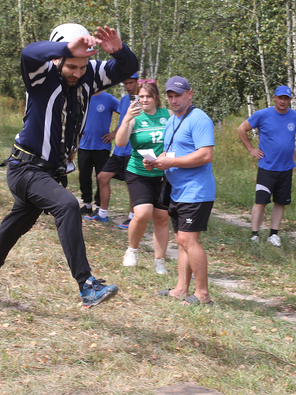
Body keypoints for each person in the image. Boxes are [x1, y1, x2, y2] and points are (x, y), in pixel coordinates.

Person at [0, 23, 138, 309]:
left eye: (83, 66)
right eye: (71, 66)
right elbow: (29, 52)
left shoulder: (88, 76)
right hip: (25, 168)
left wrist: (119, 51)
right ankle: (87, 285)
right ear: (56, 58)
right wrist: (66, 49)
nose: (78, 72)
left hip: (49, 173)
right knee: (68, 205)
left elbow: (127, 67)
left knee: (16, 226)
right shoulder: (40, 76)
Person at [147, 76, 215, 305]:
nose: (174, 100)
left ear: (190, 94)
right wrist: (156, 161)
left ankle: (203, 294)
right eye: (170, 96)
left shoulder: (199, 119)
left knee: (188, 239)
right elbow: (171, 153)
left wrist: (171, 163)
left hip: (196, 190)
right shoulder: (172, 120)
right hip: (178, 190)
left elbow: (205, 155)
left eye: (178, 95)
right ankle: (180, 289)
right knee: (182, 240)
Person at [237, 85, 296, 246]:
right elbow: (242, 129)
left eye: (286, 98)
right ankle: (255, 234)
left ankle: (274, 234)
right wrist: (251, 149)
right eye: (280, 97)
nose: (283, 101)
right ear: (275, 98)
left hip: (286, 167)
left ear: (290, 99)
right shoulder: (263, 114)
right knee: (261, 201)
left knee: (280, 202)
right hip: (267, 166)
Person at [114, 81, 172, 274]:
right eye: (141, 96)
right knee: (143, 213)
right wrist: (126, 120)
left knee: (162, 217)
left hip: (163, 173)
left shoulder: (168, 115)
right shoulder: (134, 117)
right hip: (139, 171)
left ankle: (159, 260)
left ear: (156, 98)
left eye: (148, 96)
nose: (144, 100)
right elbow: (121, 142)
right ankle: (132, 250)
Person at [85, 73, 139, 227]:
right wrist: (115, 133)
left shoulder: (142, 100)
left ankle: (132, 218)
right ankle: (102, 214)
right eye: (125, 83)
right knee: (102, 177)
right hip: (118, 150)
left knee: (131, 183)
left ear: (137, 82)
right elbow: (123, 121)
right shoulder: (123, 100)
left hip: (133, 150)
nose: (128, 86)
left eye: (130, 83)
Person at [77, 90, 119, 215]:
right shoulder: (81, 97)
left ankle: (100, 206)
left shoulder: (109, 98)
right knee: (84, 176)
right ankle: (87, 204)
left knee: (101, 178)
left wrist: (114, 133)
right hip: (84, 145)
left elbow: (126, 113)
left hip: (102, 146)